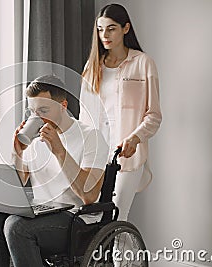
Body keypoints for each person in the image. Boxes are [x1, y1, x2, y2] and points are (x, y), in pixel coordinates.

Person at [0, 75, 108, 267]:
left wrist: (59, 151)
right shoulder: (35, 137)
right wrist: (18, 153)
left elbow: (89, 195)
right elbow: (19, 184)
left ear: (63, 105)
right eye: (32, 111)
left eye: (43, 110)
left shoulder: (91, 137)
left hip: (76, 218)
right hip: (42, 210)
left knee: (17, 227)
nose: (36, 117)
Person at [79, 3, 162, 222]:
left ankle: (121, 257)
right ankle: (104, 258)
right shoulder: (92, 66)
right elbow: (85, 115)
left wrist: (135, 138)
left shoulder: (143, 63)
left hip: (126, 154)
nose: (104, 35)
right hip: (96, 154)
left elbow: (153, 115)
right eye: (100, 29)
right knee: (92, 220)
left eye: (111, 28)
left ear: (125, 28)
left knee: (116, 217)